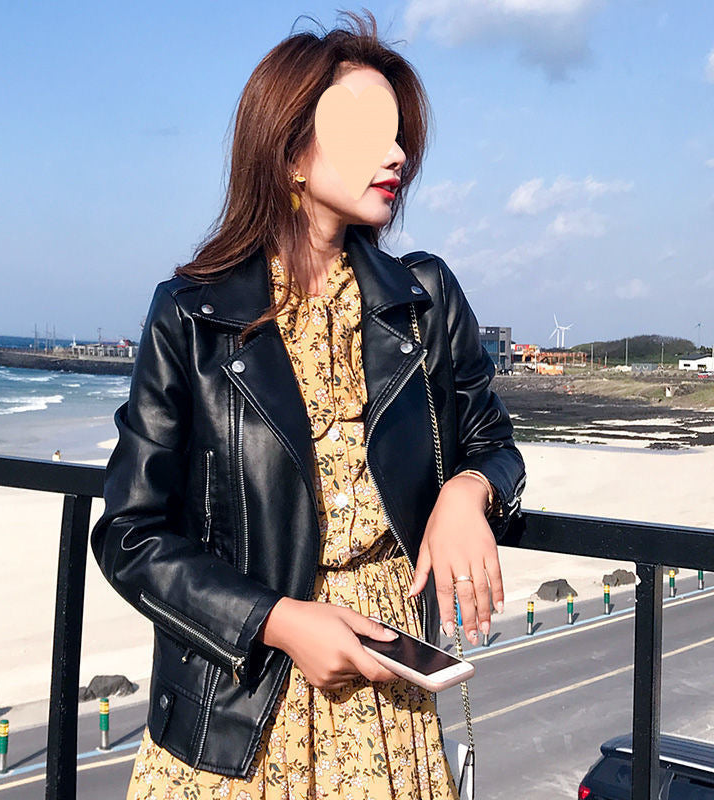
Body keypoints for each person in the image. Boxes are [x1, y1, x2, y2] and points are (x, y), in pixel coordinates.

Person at [90, 10, 526, 799]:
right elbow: (130, 533)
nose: (397, 155)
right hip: (240, 698)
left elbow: (492, 439)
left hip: (386, 695)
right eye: (366, 133)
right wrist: (280, 621)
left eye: (400, 136)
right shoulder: (193, 315)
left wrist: (469, 490)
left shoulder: (422, 301)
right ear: (290, 150)